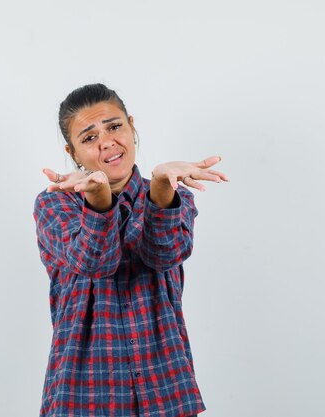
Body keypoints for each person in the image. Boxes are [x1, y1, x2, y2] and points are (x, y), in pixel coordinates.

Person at [33, 83, 228, 417]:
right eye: (89, 137)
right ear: (72, 152)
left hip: (164, 388)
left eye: (114, 126)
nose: (107, 141)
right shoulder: (55, 203)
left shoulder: (170, 195)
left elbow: (163, 254)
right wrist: (98, 203)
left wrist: (163, 191)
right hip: (85, 393)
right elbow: (94, 261)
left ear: (131, 126)